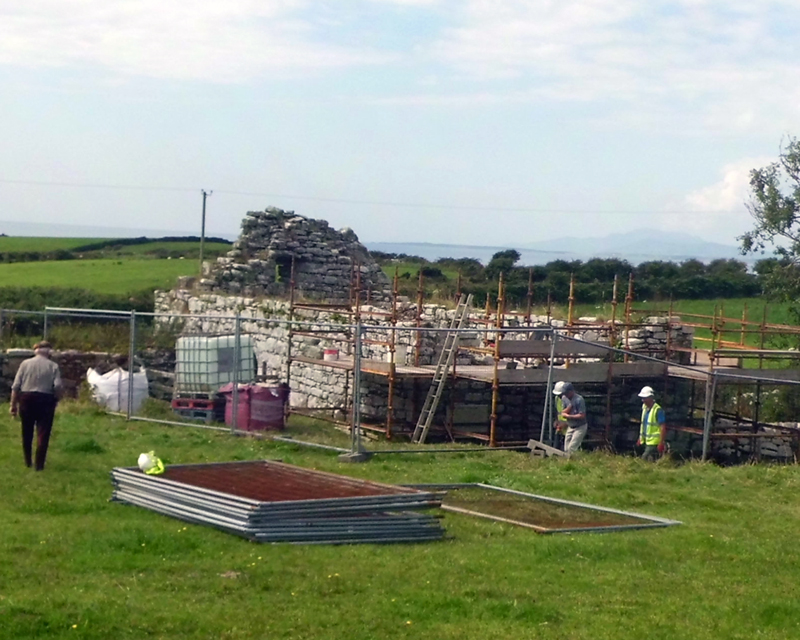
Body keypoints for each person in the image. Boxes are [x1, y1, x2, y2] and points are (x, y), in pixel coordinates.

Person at [9, 341, 63, 470]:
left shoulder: (25, 364)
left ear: (35, 351)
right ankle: (39, 464)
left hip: (27, 398)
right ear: (49, 352)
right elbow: (58, 386)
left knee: (26, 430)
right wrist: (56, 398)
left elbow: (16, 386)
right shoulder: (53, 366)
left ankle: (28, 461)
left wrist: (13, 405)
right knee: (43, 432)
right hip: (45, 399)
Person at [558, 382, 588, 456]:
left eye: (566, 393)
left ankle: (571, 464)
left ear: (571, 391)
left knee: (572, 448)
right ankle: (568, 463)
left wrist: (568, 416)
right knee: (566, 448)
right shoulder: (564, 398)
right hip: (570, 426)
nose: (565, 395)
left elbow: (582, 415)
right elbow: (563, 412)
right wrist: (568, 408)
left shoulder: (579, 399)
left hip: (580, 427)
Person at [637, 386, 666, 461]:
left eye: (645, 398)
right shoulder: (644, 408)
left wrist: (661, 442)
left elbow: (662, 427)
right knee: (649, 460)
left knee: (644, 459)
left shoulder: (658, 410)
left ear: (650, 398)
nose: (643, 400)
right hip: (646, 440)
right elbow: (644, 425)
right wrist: (640, 438)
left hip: (654, 441)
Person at [551, 381, 568, 449]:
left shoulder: (570, 400)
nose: (559, 396)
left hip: (568, 426)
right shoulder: (557, 399)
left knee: (566, 446)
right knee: (557, 443)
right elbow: (558, 411)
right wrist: (556, 421)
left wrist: (566, 423)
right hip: (560, 426)